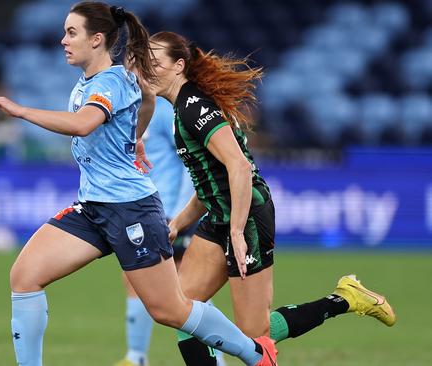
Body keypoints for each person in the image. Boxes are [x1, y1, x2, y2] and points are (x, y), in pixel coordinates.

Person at [0, 2, 277, 366]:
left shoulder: (111, 81)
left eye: (72, 33)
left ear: (97, 39)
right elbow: (147, 99)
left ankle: (256, 355)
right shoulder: (98, 81)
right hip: (93, 207)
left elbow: (83, 124)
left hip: (131, 209)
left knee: (171, 310)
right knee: (24, 275)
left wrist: (21, 110)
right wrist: (134, 137)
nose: (63, 40)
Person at [147, 31, 396, 365]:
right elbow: (211, 182)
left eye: (154, 61)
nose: (146, 68)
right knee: (182, 311)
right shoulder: (182, 109)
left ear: (178, 66)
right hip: (221, 217)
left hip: (246, 216)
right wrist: (178, 222)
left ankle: (344, 299)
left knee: (254, 335)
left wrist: (236, 231)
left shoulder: (195, 107)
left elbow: (239, 168)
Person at [114, 97, 226, 366]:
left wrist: (181, 215)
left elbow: (191, 165)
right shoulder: (130, 104)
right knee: (136, 278)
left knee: (187, 290)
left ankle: (218, 357)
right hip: (145, 208)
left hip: (168, 211)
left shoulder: (164, 111)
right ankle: (136, 357)